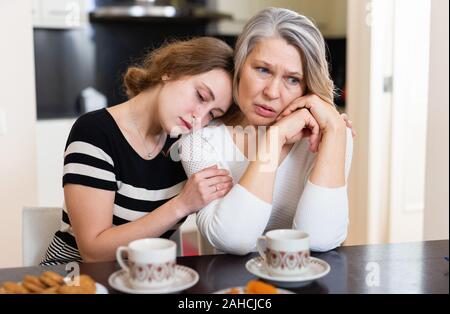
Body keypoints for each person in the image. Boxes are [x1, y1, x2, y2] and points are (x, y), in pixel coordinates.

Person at [41, 37, 234, 265]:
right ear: (171, 70)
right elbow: (93, 253)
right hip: (74, 278)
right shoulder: (94, 132)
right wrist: (181, 205)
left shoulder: (189, 146)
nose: (199, 118)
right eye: (201, 96)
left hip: (146, 278)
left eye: (213, 113)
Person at [180, 8, 354, 255]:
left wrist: (337, 131)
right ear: (240, 67)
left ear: (307, 88)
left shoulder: (330, 135)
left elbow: (319, 240)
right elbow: (234, 240)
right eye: (263, 70)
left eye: (292, 79)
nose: (272, 92)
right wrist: (274, 141)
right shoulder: (201, 141)